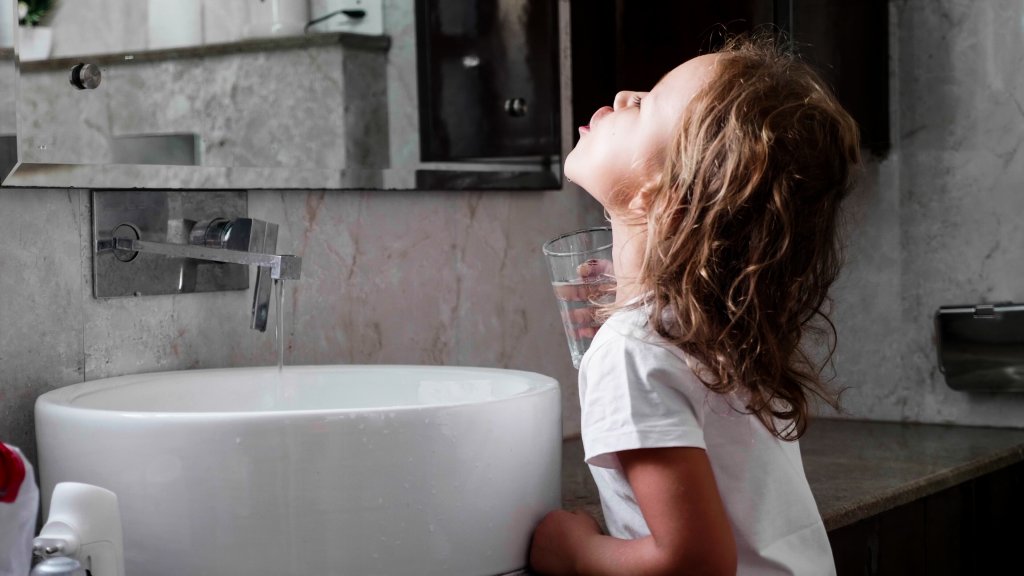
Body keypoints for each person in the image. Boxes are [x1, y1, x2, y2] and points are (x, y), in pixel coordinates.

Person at [530, 33, 860, 575]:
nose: (623, 95)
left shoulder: (632, 349)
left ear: (659, 193)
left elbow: (694, 563)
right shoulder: (710, 326)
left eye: (645, 104)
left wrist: (572, 551)